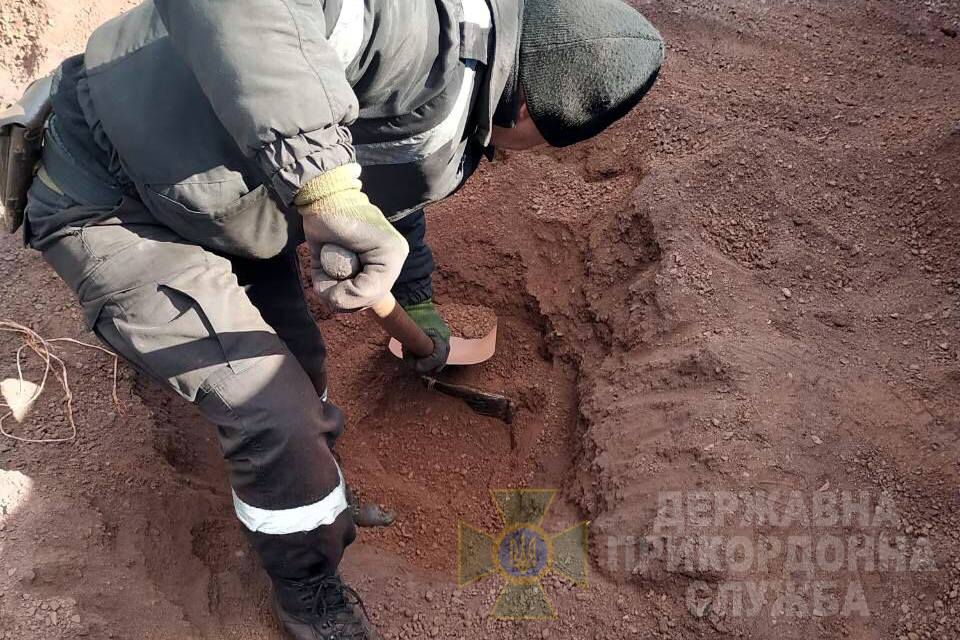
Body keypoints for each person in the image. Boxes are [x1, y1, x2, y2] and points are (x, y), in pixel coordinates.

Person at [16, 0, 663, 637]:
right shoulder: (411, 32)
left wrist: (414, 303)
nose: (519, 155)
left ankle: (311, 493)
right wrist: (323, 184)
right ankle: (308, 594)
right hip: (110, 201)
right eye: (536, 143)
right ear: (524, 106)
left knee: (304, 370)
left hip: (234, 205)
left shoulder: (474, 78)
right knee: (277, 416)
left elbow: (393, 175)